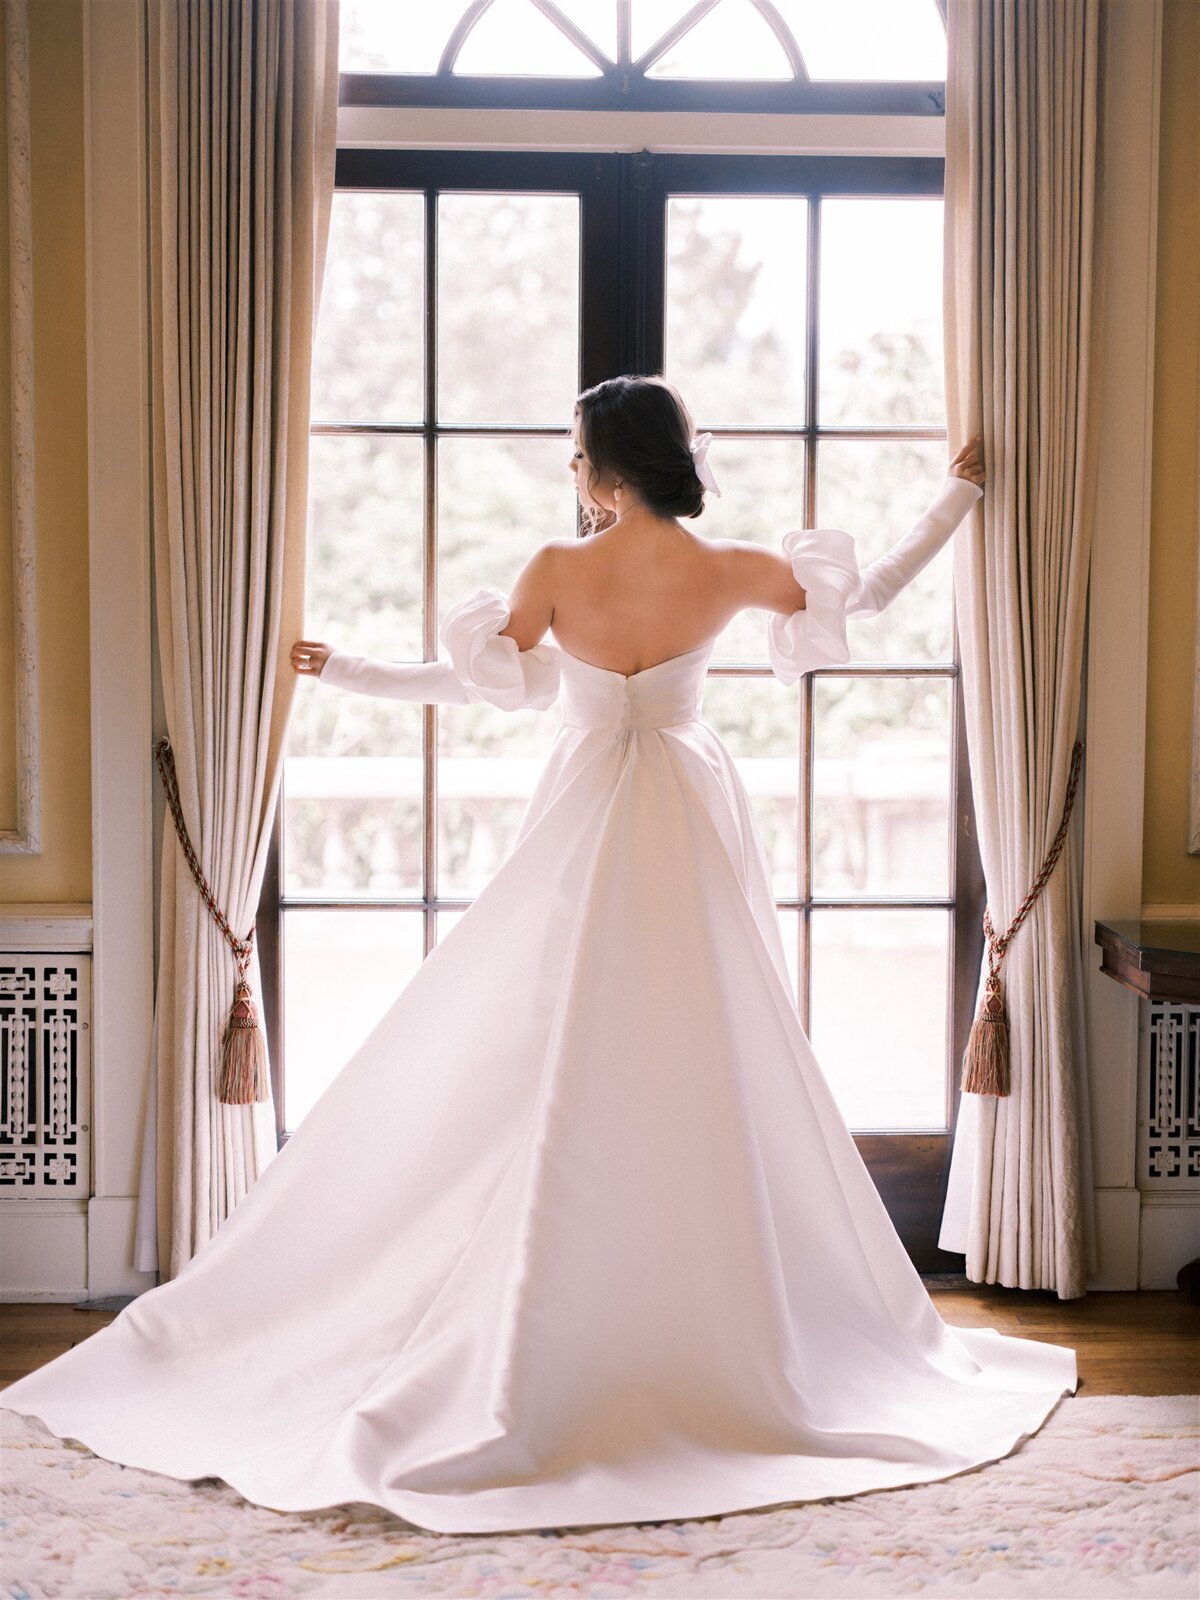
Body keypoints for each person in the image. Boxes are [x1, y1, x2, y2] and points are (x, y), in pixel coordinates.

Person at [0, 376, 1074, 1537]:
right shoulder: (728, 568)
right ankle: (689, 1302)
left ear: (607, 470)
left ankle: (545, 1293)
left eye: (576, 456)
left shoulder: (560, 572)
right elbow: (868, 592)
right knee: (702, 1048)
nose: (572, 475)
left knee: (541, 1048)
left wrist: (346, 670)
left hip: (585, 816)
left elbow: (471, 686)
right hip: (685, 811)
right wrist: (956, 498)